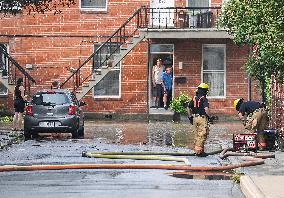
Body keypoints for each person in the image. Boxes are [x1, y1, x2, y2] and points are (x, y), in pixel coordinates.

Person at [186, 83, 210, 156]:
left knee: (197, 134)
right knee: (202, 134)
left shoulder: (194, 98)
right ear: (205, 91)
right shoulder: (204, 99)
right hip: (202, 118)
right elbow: (206, 109)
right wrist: (210, 117)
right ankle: (198, 152)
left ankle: (200, 151)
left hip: (194, 118)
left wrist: (190, 117)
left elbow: (188, 108)